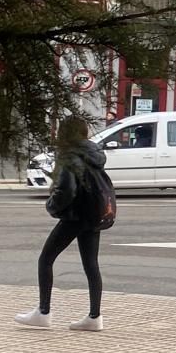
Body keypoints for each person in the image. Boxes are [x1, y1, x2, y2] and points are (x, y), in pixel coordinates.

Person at [16, 115, 108, 331]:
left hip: (74, 216)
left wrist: (51, 206)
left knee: (46, 259)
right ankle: (95, 317)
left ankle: (43, 312)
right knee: (91, 264)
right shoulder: (95, 153)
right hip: (94, 214)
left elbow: (67, 190)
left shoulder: (69, 155)